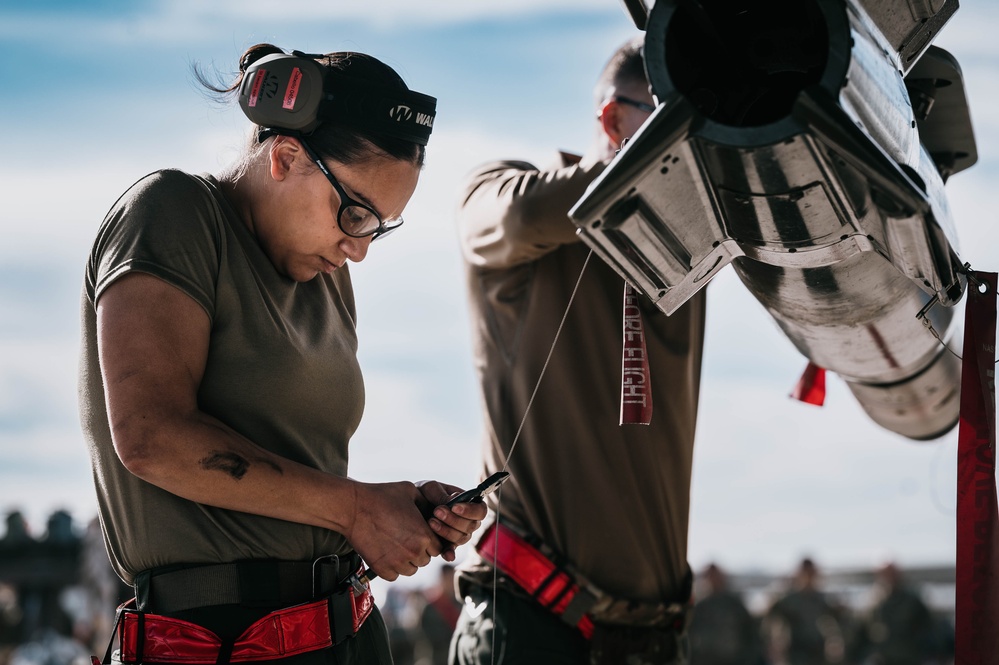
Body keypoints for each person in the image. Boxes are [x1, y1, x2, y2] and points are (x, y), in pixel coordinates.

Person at [78, 44, 486, 664]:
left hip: (346, 634)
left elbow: (306, 466)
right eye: (354, 214)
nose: (360, 249)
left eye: (379, 227)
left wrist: (398, 510)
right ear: (286, 158)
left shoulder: (324, 274)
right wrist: (354, 509)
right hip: (222, 645)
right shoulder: (172, 213)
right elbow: (150, 436)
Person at [449, 36, 707, 665]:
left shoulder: (694, 224)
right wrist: (666, 159)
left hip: (654, 638)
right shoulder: (506, 189)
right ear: (614, 119)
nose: (701, 152)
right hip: (530, 625)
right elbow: (506, 219)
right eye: (683, 127)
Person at [762, 558, 847, 665]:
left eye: (811, 574)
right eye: (806, 574)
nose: (809, 578)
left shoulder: (820, 598)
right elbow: (769, 618)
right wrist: (773, 643)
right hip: (795, 651)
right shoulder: (789, 599)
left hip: (817, 650)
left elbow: (838, 619)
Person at [852, 562, 934, 665]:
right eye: (885, 573)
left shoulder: (912, 599)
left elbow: (927, 627)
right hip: (881, 658)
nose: (889, 577)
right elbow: (861, 631)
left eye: (892, 573)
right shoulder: (870, 601)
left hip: (908, 657)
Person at [687, 563, 761, 665]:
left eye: (715, 576)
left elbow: (751, 633)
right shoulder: (701, 606)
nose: (713, 580)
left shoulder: (734, 604)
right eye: (710, 576)